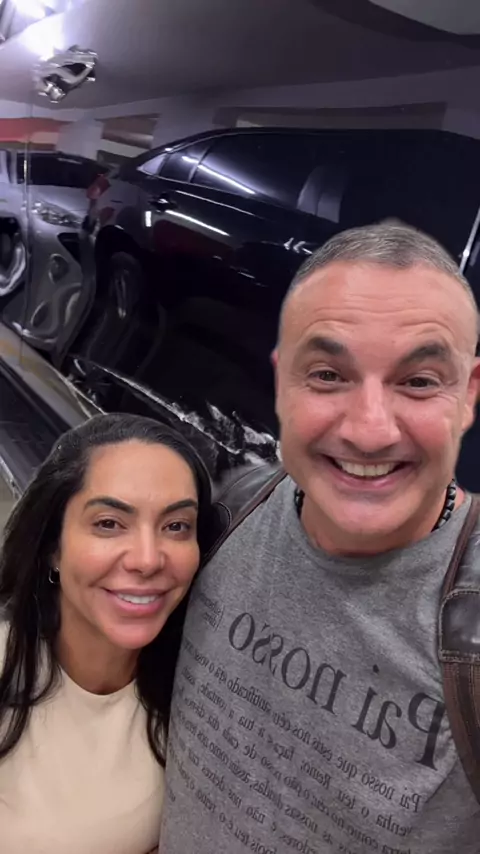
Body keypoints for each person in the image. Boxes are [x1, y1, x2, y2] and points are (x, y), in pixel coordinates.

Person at [160, 220, 480, 853]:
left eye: (418, 381)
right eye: (329, 375)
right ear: (281, 382)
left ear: (468, 395)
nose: (369, 430)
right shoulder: (229, 510)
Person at [0, 412, 211, 854]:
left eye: (176, 526)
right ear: (53, 546)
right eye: (109, 523)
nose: (148, 559)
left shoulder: (199, 696)